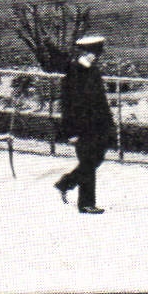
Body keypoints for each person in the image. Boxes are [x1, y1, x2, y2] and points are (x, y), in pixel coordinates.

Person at [55, 35, 113, 214]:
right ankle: (86, 203)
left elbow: (100, 101)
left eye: (96, 54)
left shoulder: (93, 71)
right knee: (88, 163)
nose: (94, 57)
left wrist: (109, 124)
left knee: (96, 160)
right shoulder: (73, 72)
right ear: (83, 53)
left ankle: (66, 183)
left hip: (98, 126)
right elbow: (67, 104)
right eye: (91, 53)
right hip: (81, 127)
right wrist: (71, 131)